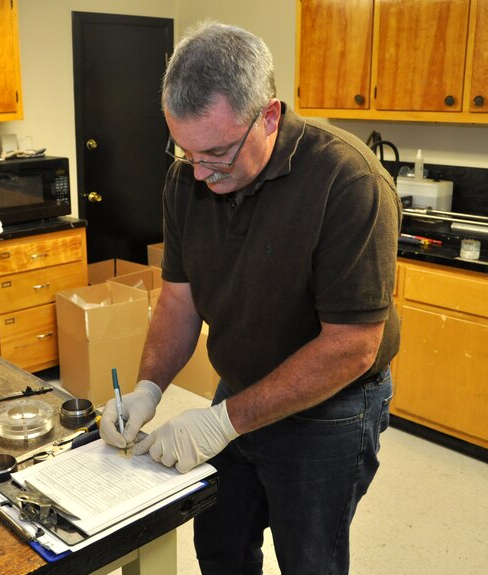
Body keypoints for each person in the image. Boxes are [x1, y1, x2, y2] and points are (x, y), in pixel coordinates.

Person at [99, 21, 401, 575]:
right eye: (184, 150)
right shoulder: (187, 176)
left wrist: (220, 423)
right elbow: (178, 300)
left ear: (269, 115)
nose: (199, 171)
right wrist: (148, 387)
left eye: (216, 152)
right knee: (220, 543)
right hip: (240, 384)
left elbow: (353, 346)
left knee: (309, 558)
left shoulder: (348, 181)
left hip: (331, 403)